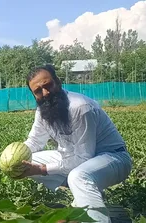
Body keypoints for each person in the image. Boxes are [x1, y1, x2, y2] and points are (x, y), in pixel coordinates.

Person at [17, 64, 132, 223]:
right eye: (38, 91)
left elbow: (83, 159)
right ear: (33, 94)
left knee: (79, 175)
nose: (45, 93)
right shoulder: (43, 111)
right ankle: (87, 196)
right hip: (76, 158)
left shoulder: (80, 107)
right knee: (28, 161)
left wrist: (42, 170)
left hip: (113, 158)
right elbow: (35, 141)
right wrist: (14, 157)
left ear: (58, 81)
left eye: (48, 85)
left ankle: (95, 218)